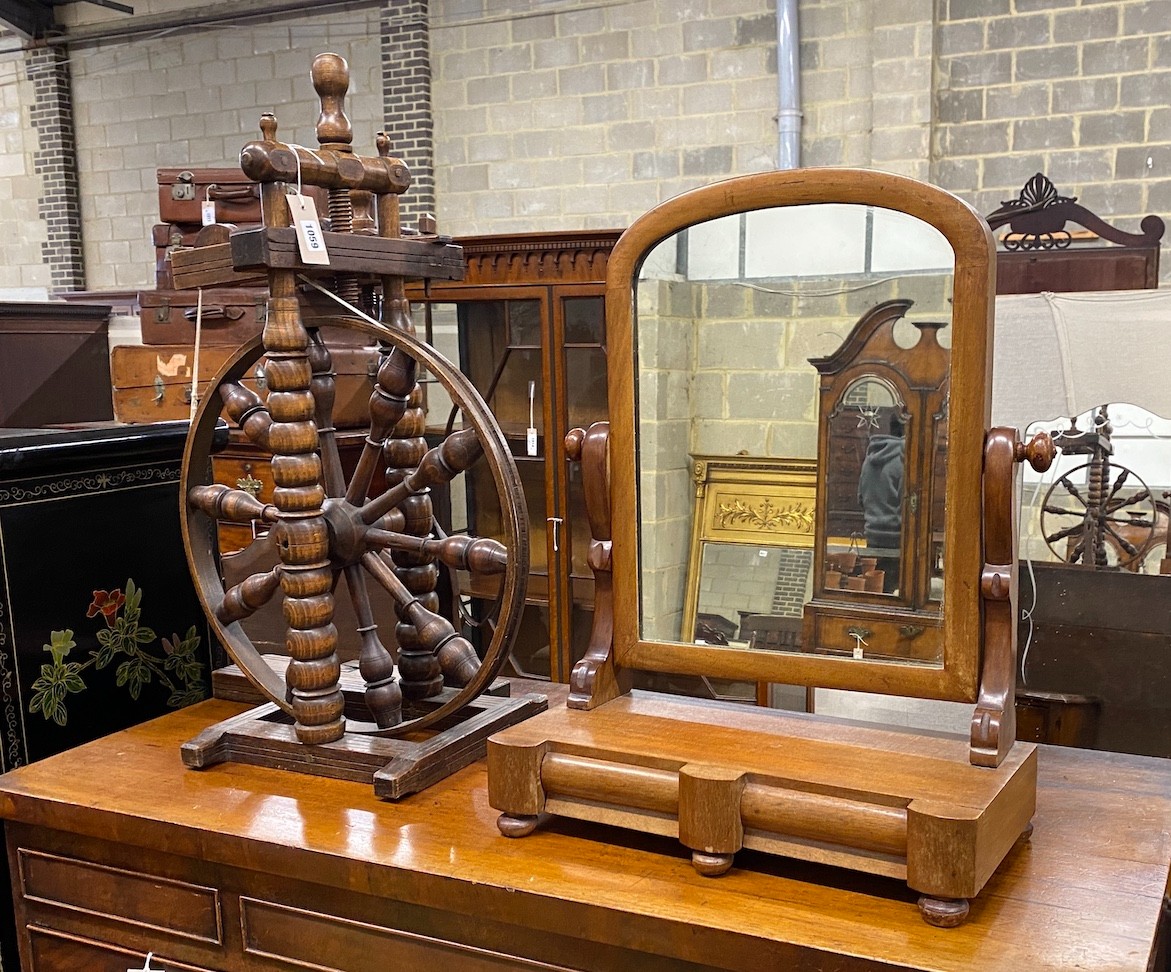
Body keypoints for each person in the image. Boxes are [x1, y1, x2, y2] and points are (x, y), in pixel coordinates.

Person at [857, 413, 905, 592]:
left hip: (873, 536)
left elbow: (860, 498)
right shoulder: (904, 460)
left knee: (875, 590)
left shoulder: (869, 459)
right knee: (896, 594)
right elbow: (908, 501)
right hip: (897, 537)